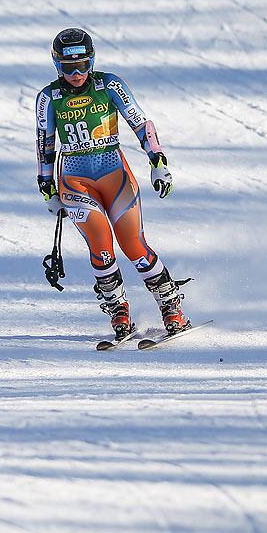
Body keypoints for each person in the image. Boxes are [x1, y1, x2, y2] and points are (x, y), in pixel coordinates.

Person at [35, 27, 190, 341]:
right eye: (68, 67)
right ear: (57, 65)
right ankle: (118, 310)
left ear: (92, 61)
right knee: (101, 246)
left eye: (83, 65)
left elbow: (141, 123)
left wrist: (158, 161)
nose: (77, 73)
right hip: (75, 180)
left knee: (133, 245)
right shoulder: (49, 97)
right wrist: (47, 186)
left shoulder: (109, 85)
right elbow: (45, 144)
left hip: (113, 173)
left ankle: (171, 306)